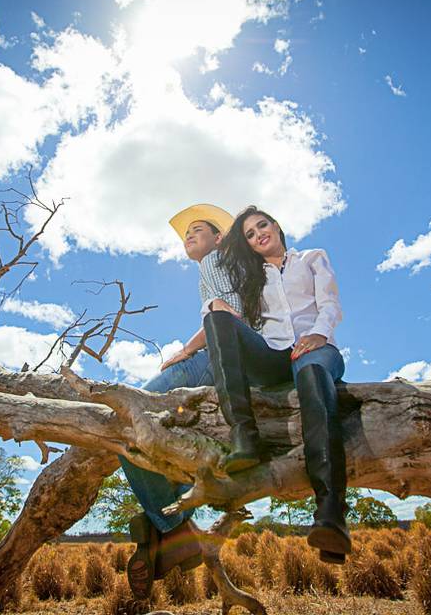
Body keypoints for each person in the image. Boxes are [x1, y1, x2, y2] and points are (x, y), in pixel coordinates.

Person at [203, 205, 349, 564]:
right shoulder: (253, 278)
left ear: (277, 225)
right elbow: (224, 290)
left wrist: (318, 335)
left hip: (316, 349)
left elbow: (330, 305)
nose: (257, 235)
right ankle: (244, 436)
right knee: (216, 315)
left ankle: (331, 515)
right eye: (249, 235)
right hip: (272, 354)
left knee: (314, 375)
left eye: (261, 226)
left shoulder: (313, 258)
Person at [123, 204, 243, 598]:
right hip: (217, 357)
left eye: (197, 229)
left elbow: (227, 315)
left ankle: (172, 528)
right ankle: (170, 530)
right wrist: (189, 349)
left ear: (219, 238)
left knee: (130, 421)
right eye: (187, 232)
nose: (189, 237)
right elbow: (219, 313)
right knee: (146, 436)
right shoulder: (218, 268)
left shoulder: (216, 261)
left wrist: (190, 353)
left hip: (216, 360)